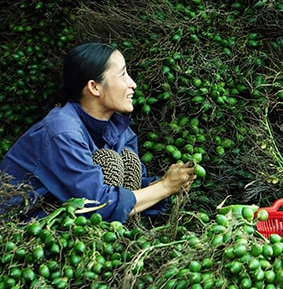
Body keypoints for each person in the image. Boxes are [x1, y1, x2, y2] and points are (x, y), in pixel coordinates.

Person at [0, 42, 196, 223]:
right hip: (25, 223)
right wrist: (165, 187)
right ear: (94, 87)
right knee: (109, 160)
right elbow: (97, 204)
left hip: (85, 213)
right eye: (123, 74)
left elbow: (131, 188)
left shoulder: (119, 129)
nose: (133, 84)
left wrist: (168, 184)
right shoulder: (62, 133)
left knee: (127, 160)